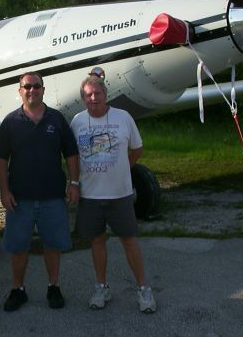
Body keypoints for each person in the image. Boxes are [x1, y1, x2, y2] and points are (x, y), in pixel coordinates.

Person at [69, 75, 156, 313]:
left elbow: (137, 149)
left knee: (129, 240)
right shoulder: (77, 121)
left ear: (105, 95)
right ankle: (101, 287)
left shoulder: (123, 118)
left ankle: (143, 289)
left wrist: (124, 167)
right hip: (91, 196)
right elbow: (73, 156)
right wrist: (74, 182)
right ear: (83, 98)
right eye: (88, 95)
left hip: (120, 194)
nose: (93, 98)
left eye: (97, 94)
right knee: (97, 241)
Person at [0, 72, 80, 312]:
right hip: (19, 199)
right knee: (18, 247)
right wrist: (4, 190)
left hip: (52, 197)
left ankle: (53, 287)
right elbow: (1, 159)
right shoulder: (10, 122)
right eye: (27, 87)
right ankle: (18, 289)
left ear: (43, 89)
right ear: (19, 90)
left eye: (36, 86)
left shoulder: (57, 119)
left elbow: (71, 153)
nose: (32, 90)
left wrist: (75, 183)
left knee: (52, 245)